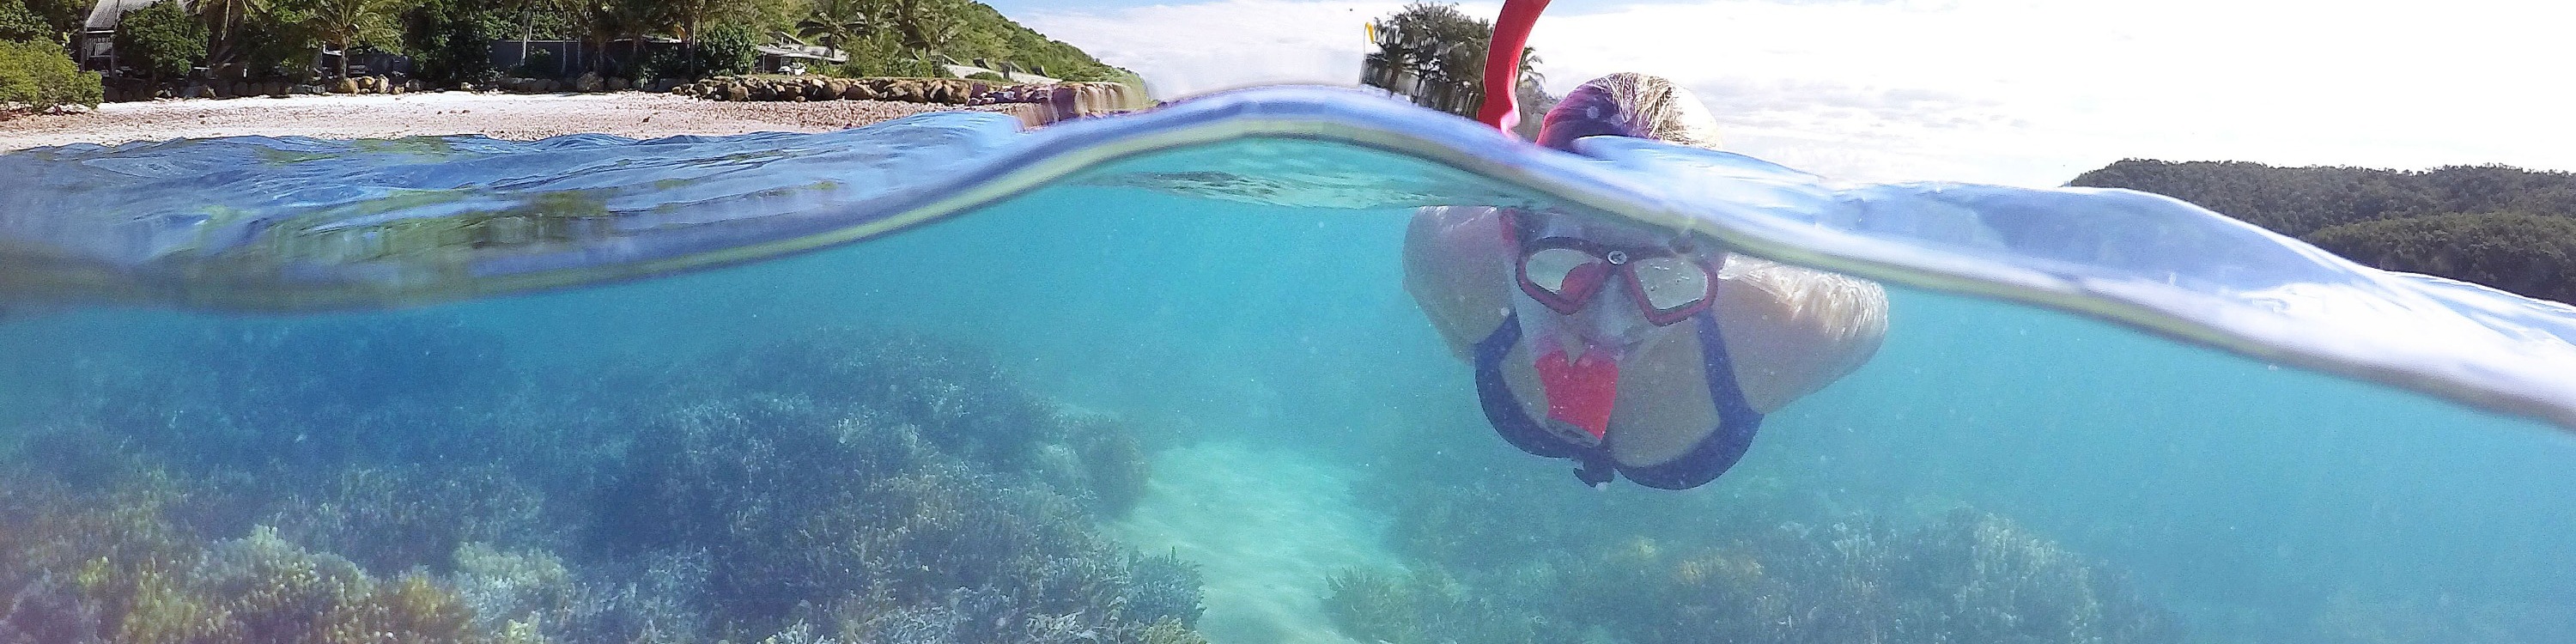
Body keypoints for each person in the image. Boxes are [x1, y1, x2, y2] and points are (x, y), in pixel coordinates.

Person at [1406, 73, 1890, 489]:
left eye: (1663, 278)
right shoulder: (1450, 255)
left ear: (1717, 261)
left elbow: (1867, 308)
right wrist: (1468, 341)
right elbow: (1456, 334)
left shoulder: (1788, 327)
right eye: (1566, 265)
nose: (1607, 324)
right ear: (1517, 232)